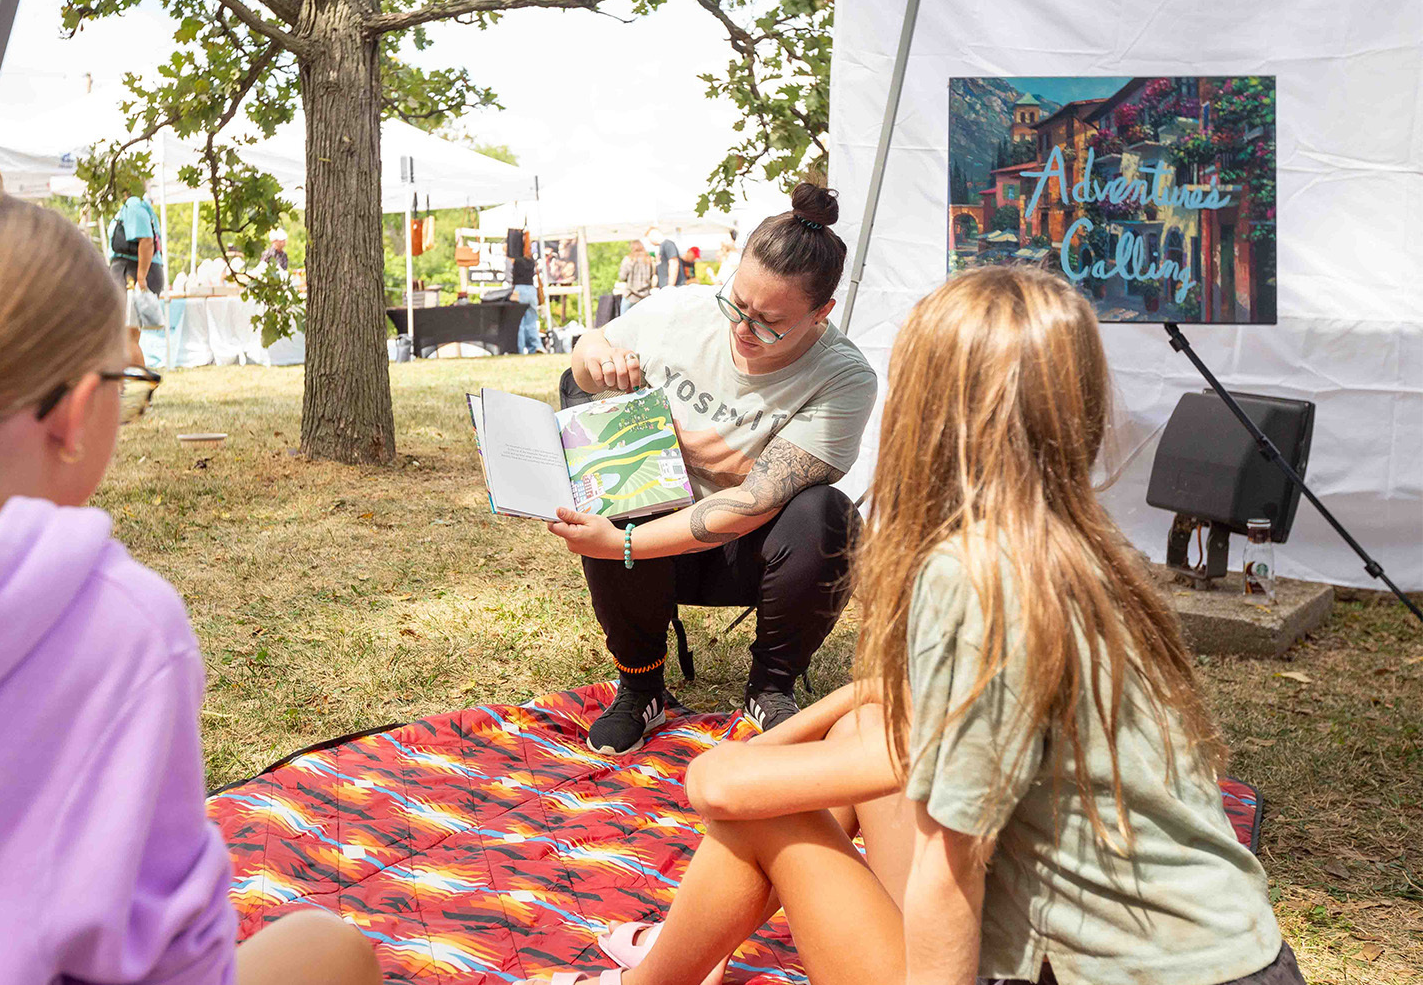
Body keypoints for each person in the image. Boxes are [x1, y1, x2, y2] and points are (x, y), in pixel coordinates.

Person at [531, 265, 1302, 985]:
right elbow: (894, 718)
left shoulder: (967, 576)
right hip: (1235, 953)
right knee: (831, 742)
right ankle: (668, 961)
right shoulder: (1076, 551)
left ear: (930, 410)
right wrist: (815, 725)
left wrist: (743, 767)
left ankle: (652, 974)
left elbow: (948, 871)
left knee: (763, 808)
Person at [0, 189, 381, 985]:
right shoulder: (113, 626)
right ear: (73, 413)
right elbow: (175, 963)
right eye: (124, 380)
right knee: (328, 950)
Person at [550, 184, 878, 751]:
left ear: (821, 313)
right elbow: (586, 354)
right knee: (624, 483)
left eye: (770, 322)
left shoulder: (844, 377)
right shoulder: (677, 311)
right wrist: (593, 355)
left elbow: (755, 502)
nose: (744, 328)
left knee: (828, 515)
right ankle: (640, 687)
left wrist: (622, 545)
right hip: (650, 537)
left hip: (749, 555)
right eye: (737, 304)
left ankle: (770, 689)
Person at [109, 181, 166, 369]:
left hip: (132, 273)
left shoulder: (133, 204)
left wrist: (141, 277)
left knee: (128, 336)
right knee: (127, 335)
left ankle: (136, 382)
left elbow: (147, 241)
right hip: (130, 271)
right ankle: (129, 380)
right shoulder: (135, 206)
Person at [512, 252, 543, 355]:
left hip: (519, 290)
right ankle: (536, 346)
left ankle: (519, 348)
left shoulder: (516, 261)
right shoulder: (531, 262)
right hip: (531, 290)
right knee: (532, 321)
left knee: (519, 322)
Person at [617, 239, 654, 315]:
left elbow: (622, 277)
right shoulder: (649, 260)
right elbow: (652, 275)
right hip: (645, 296)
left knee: (624, 320)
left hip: (630, 295)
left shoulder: (629, 259)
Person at [643, 225, 680, 290]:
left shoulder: (668, 244)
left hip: (673, 288)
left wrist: (670, 286)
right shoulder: (661, 248)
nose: (650, 242)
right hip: (665, 287)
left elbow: (674, 264)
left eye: (649, 239)